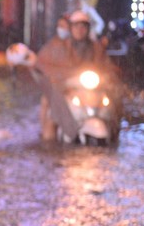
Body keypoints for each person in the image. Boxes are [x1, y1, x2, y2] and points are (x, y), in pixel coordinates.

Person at [36, 10, 119, 140]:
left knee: (114, 101)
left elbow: (107, 66)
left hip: (90, 87)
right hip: (65, 87)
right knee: (53, 114)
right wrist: (61, 76)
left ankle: (114, 131)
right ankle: (49, 142)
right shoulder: (59, 46)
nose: (80, 30)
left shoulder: (96, 47)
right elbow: (42, 63)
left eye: (83, 26)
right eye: (76, 26)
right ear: (71, 28)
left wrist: (109, 77)